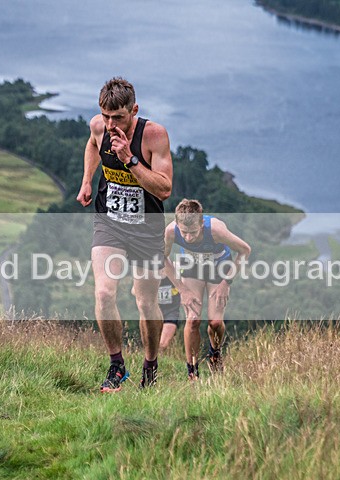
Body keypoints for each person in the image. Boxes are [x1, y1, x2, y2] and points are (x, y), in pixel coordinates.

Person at [77, 77, 196, 392]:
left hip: (146, 230)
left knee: (145, 302)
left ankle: (150, 365)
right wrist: (87, 181)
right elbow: (92, 145)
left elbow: (165, 188)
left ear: (134, 110)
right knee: (104, 293)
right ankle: (117, 366)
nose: (111, 123)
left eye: (118, 117)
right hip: (109, 222)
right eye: (106, 115)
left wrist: (129, 158)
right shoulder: (99, 127)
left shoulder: (154, 136)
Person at [165, 199, 251, 380]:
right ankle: (192, 372)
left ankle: (215, 353)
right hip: (192, 268)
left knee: (215, 323)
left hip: (219, 268)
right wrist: (181, 289)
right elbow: (161, 258)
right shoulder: (171, 231)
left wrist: (226, 283)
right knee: (193, 319)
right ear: (177, 225)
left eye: (193, 232)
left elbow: (245, 250)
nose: (188, 238)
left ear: (201, 223)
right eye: (184, 233)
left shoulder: (216, 230)